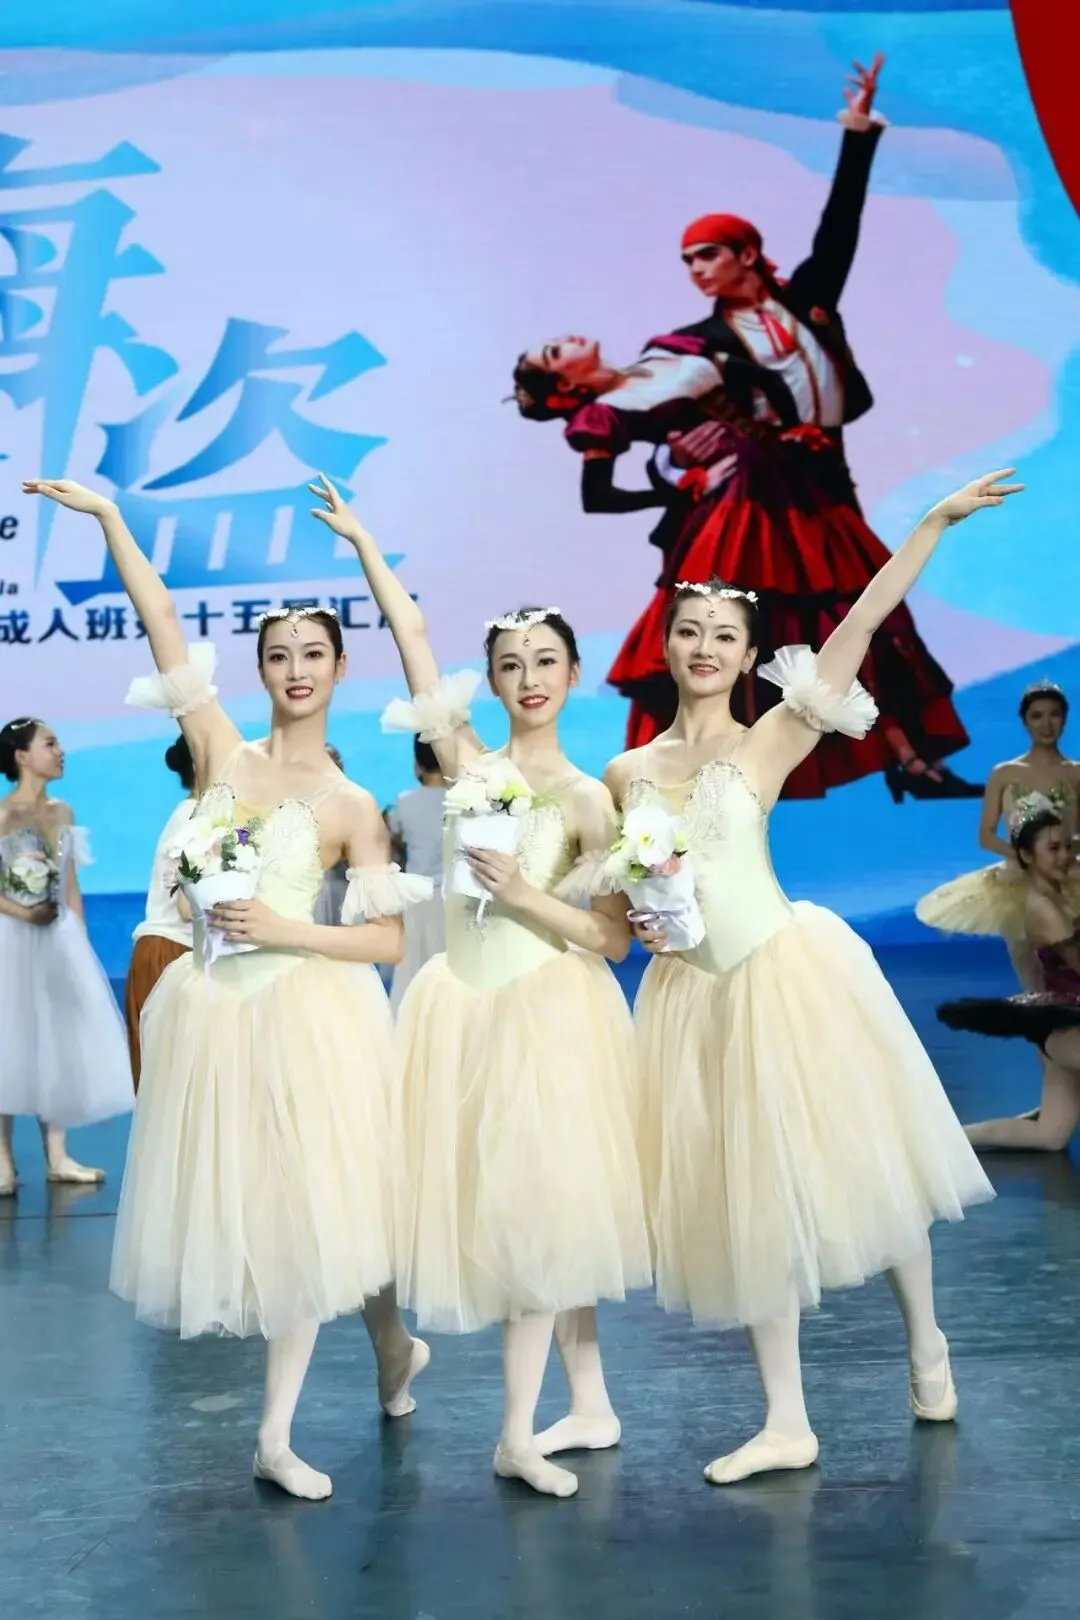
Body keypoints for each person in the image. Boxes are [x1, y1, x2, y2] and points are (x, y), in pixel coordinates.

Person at [22, 476, 432, 1503]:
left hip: (308, 1014)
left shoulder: (349, 804)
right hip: (213, 1013)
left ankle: (276, 1435)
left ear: (339, 666)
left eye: (313, 654)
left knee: (320, 1206)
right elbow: (161, 619)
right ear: (260, 668)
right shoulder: (218, 751)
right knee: (304, 1212)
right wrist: (111, 519)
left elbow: (387, 938)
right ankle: (393, 1347)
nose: (296, 669)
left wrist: (291, 929)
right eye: (279, 655)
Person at [603, 469, 1016, 1486]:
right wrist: (646, 924)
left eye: (724, 635)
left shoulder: (771, 739)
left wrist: (931, 524)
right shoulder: (627, 773)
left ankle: (925, 1339)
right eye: (689, 630)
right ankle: (786, 1420)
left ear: (749, 656)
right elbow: (642, 890)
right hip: (692, 998)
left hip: (783, 977)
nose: (704, 647)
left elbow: (861, 623)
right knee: (748, 1200)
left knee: (867, 1166)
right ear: (667, 643)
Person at [309, 472, 651, 1500]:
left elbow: (611, 939)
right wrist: (366, 548)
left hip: (549, 1017)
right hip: (459, 1012)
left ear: (575, 672)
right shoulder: (467, 765)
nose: (529, 677)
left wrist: (525, 894)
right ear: (490, 681)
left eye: (546, 660)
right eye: (510, 663)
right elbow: (412, 640)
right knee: (517, 1215)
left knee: (541, 1217)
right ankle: (584, 1404)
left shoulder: (590, 798)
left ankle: (515, 1434)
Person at [513, 56, 979, 802]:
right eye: (688, 260)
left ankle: (907, 757)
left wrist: (858, 134)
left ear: (747, 254)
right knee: (739, 628)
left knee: (864, 620)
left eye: (708, 255)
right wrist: (678, 471)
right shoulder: (690, 346)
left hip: (821, 487)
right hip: (752, 502)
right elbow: (664, 430)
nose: (697, 270)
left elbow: (841, 228)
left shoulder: (806, 304)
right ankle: (694, 779)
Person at [0, 716, 132, 1194]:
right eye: (50, 744)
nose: (60, 752)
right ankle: (2, 1159)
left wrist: (78, 939)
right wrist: (21, 911)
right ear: (21, 756)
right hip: (10, 936)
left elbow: (69, 882)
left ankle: (57, 1155)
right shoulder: (1, 815)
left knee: (55, 1036)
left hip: (56, 935)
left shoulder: (63, 812)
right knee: (10, 1038)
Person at [917, 681, 1080, 985]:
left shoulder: (1076, 773)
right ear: (1025, 721)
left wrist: (1064, 851)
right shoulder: (1004, 773)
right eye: (1037, 716)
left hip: (1068, 876)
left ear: (1065, 718)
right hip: (1017, 878)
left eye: (1054, 714)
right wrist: (1024, 858)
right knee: (1028, 964)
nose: (1046, 724)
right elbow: (986, 835)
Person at [938, 803, 1080, 1151]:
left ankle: (946, 1140)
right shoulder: (1043, 909)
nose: (1064, 856)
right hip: (1067, 1028)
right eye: (1053, 848)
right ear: (1027, 856)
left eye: (1067, 846)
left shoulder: (1061, 896)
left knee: (1050, 1136)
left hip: (1061, 1023)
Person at [125, 731, 197, 1089]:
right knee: (175, 1090)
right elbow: (189, 907)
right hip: (173, 955)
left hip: (167, 952)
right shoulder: (197, 817)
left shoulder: (189, 813)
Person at [386, 738, 447, 1012]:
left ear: (417, 764)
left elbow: (394, 839)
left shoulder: (405, 802)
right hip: (454, 899)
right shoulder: (462, 800)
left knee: (415, 977)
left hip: (418, 900)